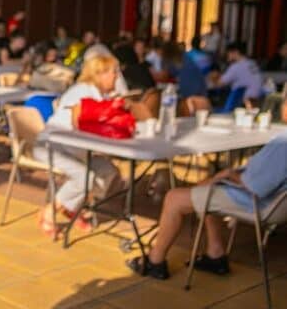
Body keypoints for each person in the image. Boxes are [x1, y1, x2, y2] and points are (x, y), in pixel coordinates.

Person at [129, 102, 287, 279]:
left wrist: (228, 174)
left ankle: (155, 261)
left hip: (257, 202)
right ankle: (215, 253)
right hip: (276, 204)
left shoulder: (283, 143)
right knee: (206, 185)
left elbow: (254, 185)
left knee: (174, 198)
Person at [33, 55, 122, 236]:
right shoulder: (82, 92)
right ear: (100, 74)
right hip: (52, 147)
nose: (117, 76)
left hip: (76, 151)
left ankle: (71, 206)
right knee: (85, 177)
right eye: (114, 72)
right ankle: (49, 213)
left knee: (108, 172)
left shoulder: (101, 95)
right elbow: (82, 125)